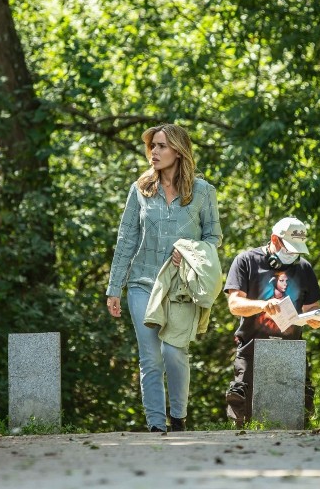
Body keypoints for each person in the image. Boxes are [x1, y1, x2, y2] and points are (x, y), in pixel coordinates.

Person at [106, 123, 222, 433]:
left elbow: (213, 237)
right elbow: (126, 240)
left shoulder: (203, 191)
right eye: (152, 146)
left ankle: (179, 417)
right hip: (142, 283)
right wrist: (114, 287)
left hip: (181, 287)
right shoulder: (140, 189)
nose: (154, 152)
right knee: (151, 359)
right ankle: (156, 425)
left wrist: (189, 251)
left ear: (178, 151)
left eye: (161, 146)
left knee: (173, 352)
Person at [223, 216, 320, 426]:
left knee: (298, 418)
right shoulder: (246, 261)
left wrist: (315, 317)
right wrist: (262, 305)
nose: (292, 254)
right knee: (243, 414)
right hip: (251, 349)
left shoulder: (304, 268)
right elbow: (234, 304)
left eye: (297, 249)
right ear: (274, 240)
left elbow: (313, 308)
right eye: (288, 247)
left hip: (291, 351)